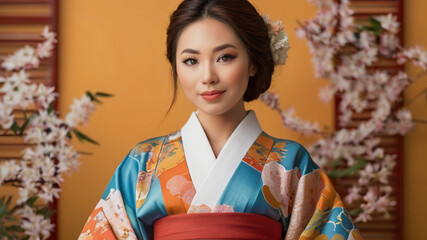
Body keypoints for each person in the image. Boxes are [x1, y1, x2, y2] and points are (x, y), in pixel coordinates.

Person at [79, 0, 363, 239]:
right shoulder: (143, 163)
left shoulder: (290, 163)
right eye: (191, 60)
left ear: (253, 63)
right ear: (176, 66)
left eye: (225, 57)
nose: (208, 77)